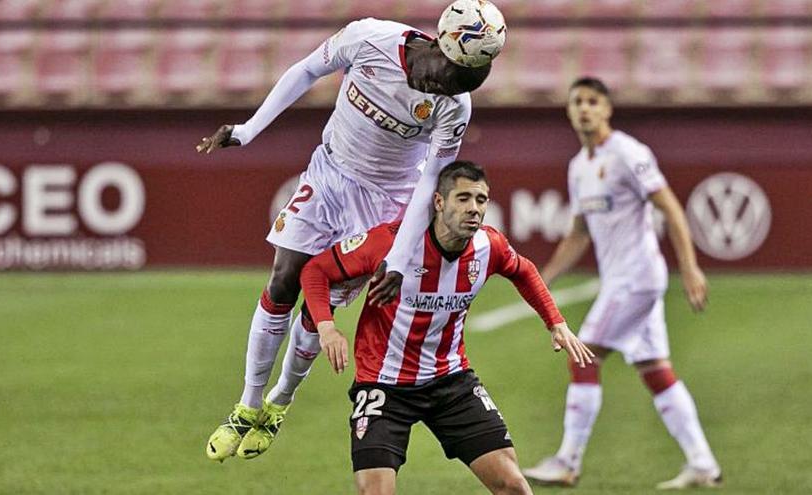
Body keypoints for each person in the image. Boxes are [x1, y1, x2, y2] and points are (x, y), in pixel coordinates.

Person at [197, 1, 500, 462]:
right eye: (455, 72)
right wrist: (248, 129)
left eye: (469, 80)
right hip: (329, 174)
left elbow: (429, 182)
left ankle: (280, 400)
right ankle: (248, 403)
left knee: (320, 308)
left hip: (383, 205)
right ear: (441, 42)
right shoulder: (369, 39)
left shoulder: (455, 105)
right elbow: (305, 70)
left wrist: (398, 257)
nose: (455, 86)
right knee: (282, 280)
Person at [299, 161, 595, 495]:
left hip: (450, 382)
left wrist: (556, 323)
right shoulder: (390, 243)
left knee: (514, 487)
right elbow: (315, 270)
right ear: (439, 202)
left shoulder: (489, 246)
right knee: (375, 492)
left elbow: (523, 270)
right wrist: (326, 327)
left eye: (481, 200)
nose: (474, 209)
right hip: (384, 385)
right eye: (463, 198)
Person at [521, 77, 721, 490]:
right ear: (569, 111)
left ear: (607, 109)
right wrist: (542, 279)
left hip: (637, 277)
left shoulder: (629, 153)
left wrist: (690, 267)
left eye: (593, 102)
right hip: (624, 280)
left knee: (584, 354)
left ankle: (567, 460)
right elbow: (578, 232)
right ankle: (702, 462)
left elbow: (670, 207)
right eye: (577, 101)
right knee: (654, 368)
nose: (584, 109)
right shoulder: (578, 167)